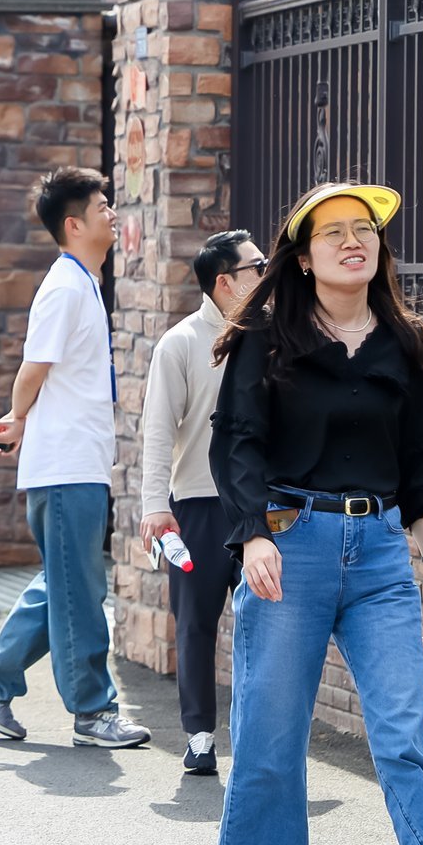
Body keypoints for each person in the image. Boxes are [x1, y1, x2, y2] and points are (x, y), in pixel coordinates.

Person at [208, 182, 423, 845]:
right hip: (289, 546)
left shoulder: (403, 341)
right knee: (271, 736)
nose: (352, 240)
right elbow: (236, 444)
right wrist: (253, 535)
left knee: (404, 736)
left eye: (363, 228)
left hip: (378, 556)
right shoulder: (267, 337)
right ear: (304, 257)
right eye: (333, 231)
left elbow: (421, 465)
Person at [0, 167, 152, 750]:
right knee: (79, 592)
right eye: (102, 206)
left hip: (77, 462)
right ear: (74, 224)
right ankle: (92, 710)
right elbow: (33, 368)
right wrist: (17, 418)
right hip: (65, 466)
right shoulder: (65, 287)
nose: (112, 213)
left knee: (65, 585)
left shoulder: (81, 282)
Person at [137, 229, 265, 775]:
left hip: (262, 507)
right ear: (225, 282)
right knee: (195, 622)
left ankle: (261, 735)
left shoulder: (273, 337)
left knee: (269, 622)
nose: (267, 273)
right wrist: (154, 505)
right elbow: (157, 430)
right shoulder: (181, 343)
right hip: (197, 505)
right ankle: (199, 736)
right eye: (257, 266)